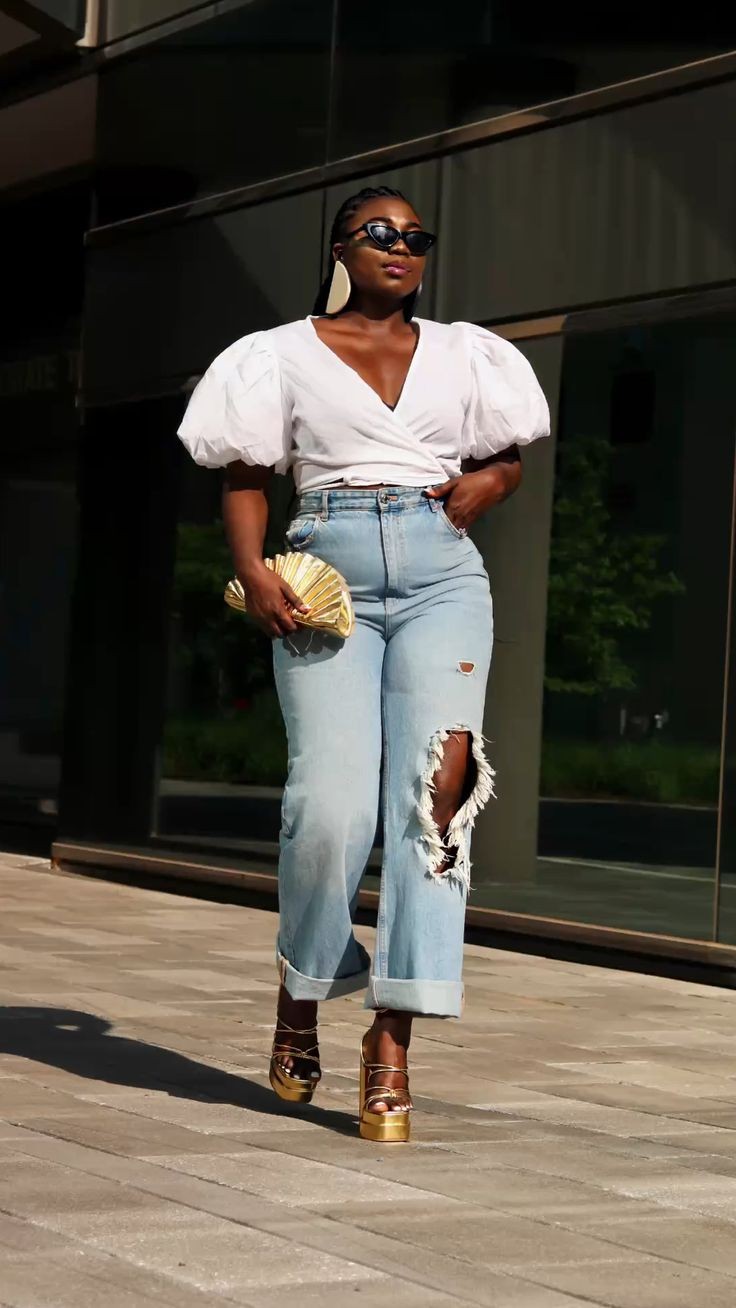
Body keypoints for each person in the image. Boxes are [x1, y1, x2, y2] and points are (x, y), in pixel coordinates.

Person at [178, 185, 550, 1142]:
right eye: (381, 234)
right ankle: (302, 992)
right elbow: (245, 473)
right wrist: (251, 570)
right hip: (323, 573)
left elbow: (508, 456)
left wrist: (487, 483)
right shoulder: (277, 355)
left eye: (417, 237)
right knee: (329, 806)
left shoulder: (470, 352)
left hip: (441, 578)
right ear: (341, 245)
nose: (401, 247)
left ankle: (392, 1038)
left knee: (436, 801)